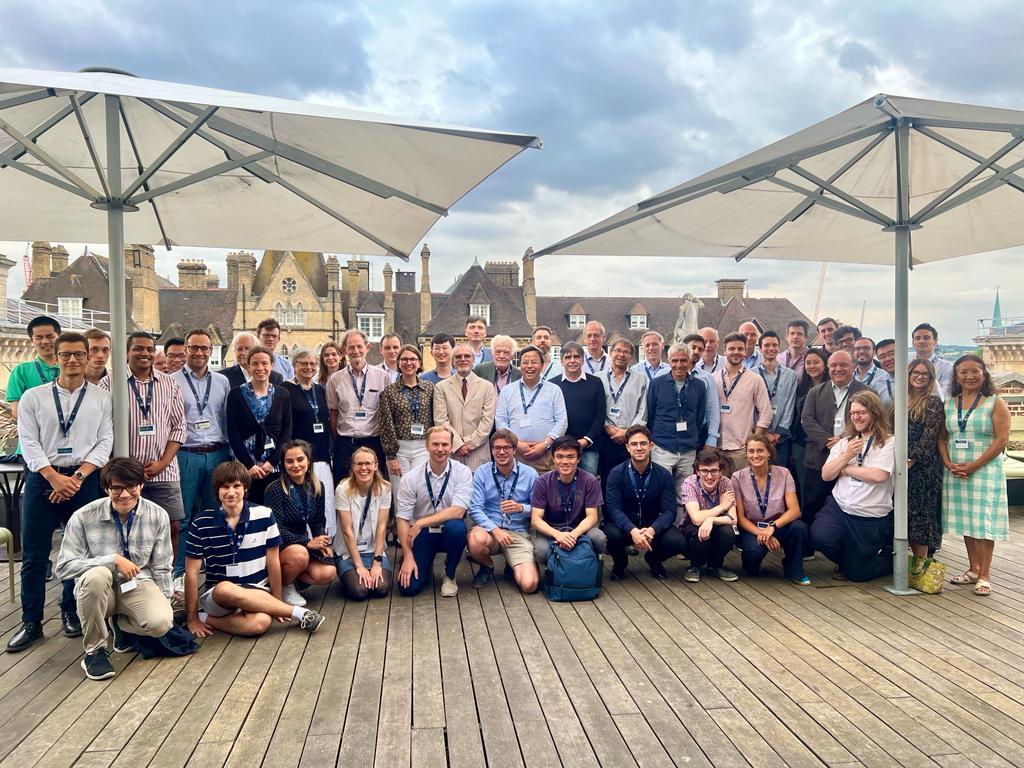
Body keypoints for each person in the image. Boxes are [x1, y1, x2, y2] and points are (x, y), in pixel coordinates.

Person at [8, 331, 112, 653]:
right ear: (56, 357)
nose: (73, 360)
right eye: (66, 354)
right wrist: (54, 477)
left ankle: (70, 612)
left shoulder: (101, 398)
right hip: (43, 479)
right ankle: (31, 622)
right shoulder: (33, 398)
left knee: (79, 552)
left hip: (84, 480)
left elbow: (104, 441)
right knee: (35, 554)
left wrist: (77, 477)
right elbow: (29, 443)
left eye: (79, 354)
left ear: (86, 356)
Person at [55, 458, 174, 680]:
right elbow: (63, 568)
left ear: (141, 485)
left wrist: (165, 600)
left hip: (138, 583)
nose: (125, 494)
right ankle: (95, 650)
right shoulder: (83, 516)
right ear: (106, 488)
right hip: (99, 590)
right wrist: (111, 561)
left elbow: (161, 566)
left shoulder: (158, 515)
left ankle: (120, 625)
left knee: (162, 624)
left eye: (131, 487)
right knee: (97, 576)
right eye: (117, 488)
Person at [184, 461, 325, 638]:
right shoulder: (201, 523)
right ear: (217, 490)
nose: (231, 492)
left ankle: (206, 618)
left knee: (260, 623)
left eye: (236, 486)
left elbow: (273, 562)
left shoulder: (264, 514)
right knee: (225, 589)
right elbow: (191, 573)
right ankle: (299, 613)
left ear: (245, 488)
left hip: (258, 590)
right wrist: (191, 617)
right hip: (220, 597)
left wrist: (277, 600)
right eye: (225, 487)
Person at [102, 332, 187, 561]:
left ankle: (166, 580)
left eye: (149, 349)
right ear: (127, 352)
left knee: (172, 526)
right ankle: (127, 580)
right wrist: (121, 465)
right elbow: (99, 428)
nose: (145, 353)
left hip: (163, 471)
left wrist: (162, 462)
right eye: (138, 348)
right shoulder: (109, 382)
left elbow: (179, 428)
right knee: (123, 528)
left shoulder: (170, 384)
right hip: (123, 474)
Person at [939, 355, 1010, 596]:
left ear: (984, 373)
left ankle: (985, 575)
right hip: (956, 469)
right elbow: (942, 436)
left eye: (974, 371)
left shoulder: (994, 402)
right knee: (967, 521)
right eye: (963, 372)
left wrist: (974, 465)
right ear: (956, 377)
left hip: (984, 470)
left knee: (983, 522)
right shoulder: (949, 403)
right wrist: (948, 462)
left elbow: (1001, 440)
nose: (969, 376)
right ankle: (973, 568)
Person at [810, 390, 896, 581]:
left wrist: (846, 469)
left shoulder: (889, 442)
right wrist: (847, 456)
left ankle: (887, 559)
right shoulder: (844, 443)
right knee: (819, 536)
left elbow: (878, 475)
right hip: (839, 507)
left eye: (861, 412)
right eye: (852, 413)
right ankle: (847, 562)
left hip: (869, 514)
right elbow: (826, 474)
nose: (856, 417)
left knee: (859, 575)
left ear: (874, 412)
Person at [171, 329, 231, 585]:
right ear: (186, 349)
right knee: (183, 516)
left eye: (204, 348)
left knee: (215, 513)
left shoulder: (222, 382)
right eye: (194, 348)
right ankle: (180, 572)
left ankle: (214, 567)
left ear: (211, 350)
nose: (199, 353)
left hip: (216, 453)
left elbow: (227, 419)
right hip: (186, 454)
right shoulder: (170, 380)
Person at [396, 426, 472, 597]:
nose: (440, 449)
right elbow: (402, 519)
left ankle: (450, 574)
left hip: (448, 531)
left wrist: (421, 522)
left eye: (445, 444)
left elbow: (458, 511)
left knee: (457, 528)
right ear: (426, 446)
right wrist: (408, 556)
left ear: (451, 446)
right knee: (407, 588)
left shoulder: (462, 472)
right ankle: (424, 563)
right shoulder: (411, 478)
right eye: (435, 444)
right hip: (422, 534)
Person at [603, 426, 686, 580]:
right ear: (627, 448)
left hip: (652, 527)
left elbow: (669, 511)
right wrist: (633, 530)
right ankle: (620, 563)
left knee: (677, 541)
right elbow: (613, 509)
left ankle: (654, 559)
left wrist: (653, 530)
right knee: (608, 535)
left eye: (643, 443)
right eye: (634, 444)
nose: (639, 448)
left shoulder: (663, 475)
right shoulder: (616, 473)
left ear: (651, 446)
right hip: (625, 527)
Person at [799, 350, 868, 530]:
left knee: (845, 504)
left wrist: (843, 441)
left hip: (851, 458)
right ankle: (807, 548)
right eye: (834, 365)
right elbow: (806, 419)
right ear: (828, 368)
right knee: (811, 503)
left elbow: (869, 421)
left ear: (853, 367)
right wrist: (828, 440)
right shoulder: (816, 392)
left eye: (843, 365)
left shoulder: (866, 392)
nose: (838, 369)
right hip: (818, 458)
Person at [466, 430, 540, 592]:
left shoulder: (530, 474)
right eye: (497, 448)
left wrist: (522, 508)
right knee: (475, 540)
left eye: (506, 448)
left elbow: (539, 510)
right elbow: (474, 508)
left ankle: (512, 564)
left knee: (530, 585)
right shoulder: (482, 472)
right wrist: (495, 530)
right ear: (492, 450)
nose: (501, 452)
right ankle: (487, 566)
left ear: (514, 450)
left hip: (517, 532)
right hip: (490, 531)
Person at [263, 441, 336, 606]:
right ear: (283, 463)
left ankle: (293, 580)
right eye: (289, 461)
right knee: (300, 555)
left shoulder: (317, 486)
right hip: (280, 547)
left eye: (300, 459)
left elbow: (318, 521)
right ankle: (284, 586)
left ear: (308, 461)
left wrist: (322, 540)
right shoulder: (275, 489)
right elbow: (275, 529)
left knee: (328, 572)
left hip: (303, 544)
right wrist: (307, 542)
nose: (295, 465)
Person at [733, 435, 809, 584]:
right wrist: (763, 533)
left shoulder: (784, 473)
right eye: (751, 451)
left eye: (760, 451)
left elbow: (795, 511)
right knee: (753, 556)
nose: (756, 455)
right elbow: (740, 518)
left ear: (769, 452)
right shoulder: (737, 477)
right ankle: (750, 564)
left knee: (799, 528)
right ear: (747, 454)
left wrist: (772, 528)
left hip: (777, 525)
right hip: (752, 528)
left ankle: (794, 570)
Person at [226, 345, 292, 503]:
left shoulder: (282, 394)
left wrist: (272, 462)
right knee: (247, 510)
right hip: (246, 468)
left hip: (274, 467)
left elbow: (287, 431)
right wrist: (249, 465)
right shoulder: (236, 395)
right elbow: (233, 432)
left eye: (264, 363)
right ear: (248, 366)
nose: (260, 368)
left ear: (272, 365)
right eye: (255, 363)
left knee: (275, 510)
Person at [282, 349, 336, 537]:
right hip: (299, 458)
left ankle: (326, 541)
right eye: (303, 363)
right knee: (305, 501)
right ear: (294, 365)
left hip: (321, 455)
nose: (309, 367)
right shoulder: (285, 390)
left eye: (313, 364)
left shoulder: (320, 389)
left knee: (325, 500)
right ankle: (306, 542)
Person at [530, 436, 606, 564]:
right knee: (541, 552)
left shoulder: (590, 480)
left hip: (581, 529)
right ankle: (555, 571)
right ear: (553, 458)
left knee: (599, 539)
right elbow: (536, 520)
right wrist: (558, 535)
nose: (565, 461)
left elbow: (592, 517)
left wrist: (573, 535)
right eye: (560, 456)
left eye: (570, 457)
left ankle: (589, 564)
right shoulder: (542, 481)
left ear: (578, 459)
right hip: (552, 530)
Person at [326, 329, 390, 480]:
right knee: (343, 486)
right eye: (351, 347)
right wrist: (339, 440)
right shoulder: (335, 379)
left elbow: (386, 413)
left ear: (367, 347)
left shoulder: (381, 376)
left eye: (359, 346)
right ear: (344, 350)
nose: (356, 351)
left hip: (373, 443)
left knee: (375, 488)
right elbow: (333, 413)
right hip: (345, 444)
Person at [646, 343, 707, 495]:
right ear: (669, 361)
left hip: (688, 448)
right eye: (675, 361)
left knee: (685, 492)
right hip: (662, 446)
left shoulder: (699, 386)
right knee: (660, 490)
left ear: (690, 361)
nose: (679, 365)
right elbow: (651, 415)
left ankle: (682, 520)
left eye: (683, 360)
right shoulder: (656, 384)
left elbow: (699, 417)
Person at [495, 344, 567, 472]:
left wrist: (545, 444)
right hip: (515, 454)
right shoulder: (507, 391)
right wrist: (517, 443)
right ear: (520, 365)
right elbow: (500, 420)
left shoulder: (554, 390)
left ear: (542, 365)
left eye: (534, 362)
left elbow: (562, 421)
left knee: (545, 490)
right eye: (525, 362)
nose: (529, 366)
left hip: (546, 455)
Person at [335, 446, 393, 600]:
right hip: (348, 553)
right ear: (353, 467)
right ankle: (348, 575)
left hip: (374, 550)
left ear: (375, 465)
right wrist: (359, 566)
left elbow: (382, 527)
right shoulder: (342, 489)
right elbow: (347, 531)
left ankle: (366, 570)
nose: (364, 468)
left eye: (368, 463)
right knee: (360, 591)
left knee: (381, 589)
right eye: (359, 464)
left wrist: (377, 562)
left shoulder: (385, 488)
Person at [379, 344, 434, 500]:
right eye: (404, 359)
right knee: (401, 492)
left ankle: (419, 525)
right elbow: (385, 424)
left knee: (421, 490)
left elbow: (435, 419)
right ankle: (402, 524)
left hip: (422, 447)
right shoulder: (390, 391)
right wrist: (391, 456)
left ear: (419, 363)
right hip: (399, 449)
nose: (408, 363)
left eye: (413, 359)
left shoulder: (430, 388)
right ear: (398, 363)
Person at [903, 359, 944, 559]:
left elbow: (930, 436)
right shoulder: (900, 399)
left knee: (921, 517)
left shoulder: (933, 402)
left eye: (924, 374)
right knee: (905, 516)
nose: (919, 377)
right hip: (900, 464)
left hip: (922, 468)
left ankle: (921, 564)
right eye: (915, 373)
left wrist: (912, 459)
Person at [715, 332, 773, 472]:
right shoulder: (712, 379)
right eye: (732, 348)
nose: (736, 352)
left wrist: (752, 442)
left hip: (741, 450)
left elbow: (766, 413)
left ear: (745, 350)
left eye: (740, 349)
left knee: (742, 491)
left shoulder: (755, 380)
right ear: (724, 350)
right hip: (716, 448)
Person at [679, 448, 739, 582]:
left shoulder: (726, 483)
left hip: (716, 526)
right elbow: (696, 518)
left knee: (728, 532)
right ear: (697, 471)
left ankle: (715, 566)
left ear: (721, 471)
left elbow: (733, 519)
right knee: (697, 529)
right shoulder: (689, 483)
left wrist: (711, 520)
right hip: (691, 530)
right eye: (705, 471)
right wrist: (722, 506)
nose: (709, 476)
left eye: (714, 471)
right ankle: (695, 566)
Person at [435, 343, 496, 471]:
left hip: (478, 454)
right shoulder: (441, 387)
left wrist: (469, 444)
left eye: (467, 356)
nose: (463, 359)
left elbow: (487, 421)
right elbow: (441, 420)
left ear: (473, 360)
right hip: (452, 454)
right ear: (453, 361)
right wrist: (457, 445)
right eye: (458, 357)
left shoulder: (487, 387)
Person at [555, 342, 606, 476]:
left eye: (576, 356)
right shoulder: (553, 384)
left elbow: (600, 415)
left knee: (588, 485)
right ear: (561, 361)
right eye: (568, 357)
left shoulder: (595, 382)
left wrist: (587, 439)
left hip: (588, 447)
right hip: (561, 448)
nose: (572, 360)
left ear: (582, 360)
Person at [601, 339, 648, 480]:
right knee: (607, 478)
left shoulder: (641, 379)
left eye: (626, 352)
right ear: (610, 353)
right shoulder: (599, 378)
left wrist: (628, 432)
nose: (621, 355)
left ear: (631, 357)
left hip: (631, 438)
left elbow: (643, 409)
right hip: (606, 436)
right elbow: (596, 408)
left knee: (631, 478)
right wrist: (606, 426)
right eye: (618, 350)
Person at [791, 348, 829, 503]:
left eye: (816, 362)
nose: (811, 366)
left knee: (821, 483)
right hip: (800, 442)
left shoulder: (831, 387)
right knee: (801, 481)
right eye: (808, 363)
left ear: (825, 365)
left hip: (824, 443)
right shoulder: (800, 387)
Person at [757, 331, 799, 469]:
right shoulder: (750, 374)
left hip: (780, 438)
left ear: (779, 348)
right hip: (758, 436)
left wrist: (778, 433)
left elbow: (790, 405)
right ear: (760, 348)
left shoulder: (791, 375)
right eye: (766, 345)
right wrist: (764, 433)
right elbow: (750, 408)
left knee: (779, 475)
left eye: (774, 345)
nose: (771, 348)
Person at [7, 315, 61, 421]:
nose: (45, 341)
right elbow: (17, 411)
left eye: (50, 337)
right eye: (39, 337)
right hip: (33, 434)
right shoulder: (20, 372)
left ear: (59, 337)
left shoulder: (73, 368)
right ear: (32, 340)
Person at [682, 334, 722, 448]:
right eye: (693, 347)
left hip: (698, 434)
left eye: (700, 349)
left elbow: (712, 409)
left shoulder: (707, 378)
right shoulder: (664, 374)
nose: (696, 351)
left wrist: (711, 439)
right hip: (670, 434)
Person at [913, 322, 954, 396]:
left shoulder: (946, 367)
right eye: (917, 338)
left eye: (926, 338)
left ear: (935, 342)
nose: (921, 341)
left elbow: (944, 394)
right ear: (913, 342)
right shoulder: (905, 365)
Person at [872, 338, 897, 407]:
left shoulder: (917, 378)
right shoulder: (876, 384)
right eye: (882, 357)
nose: (888, 359)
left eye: (892, 354)